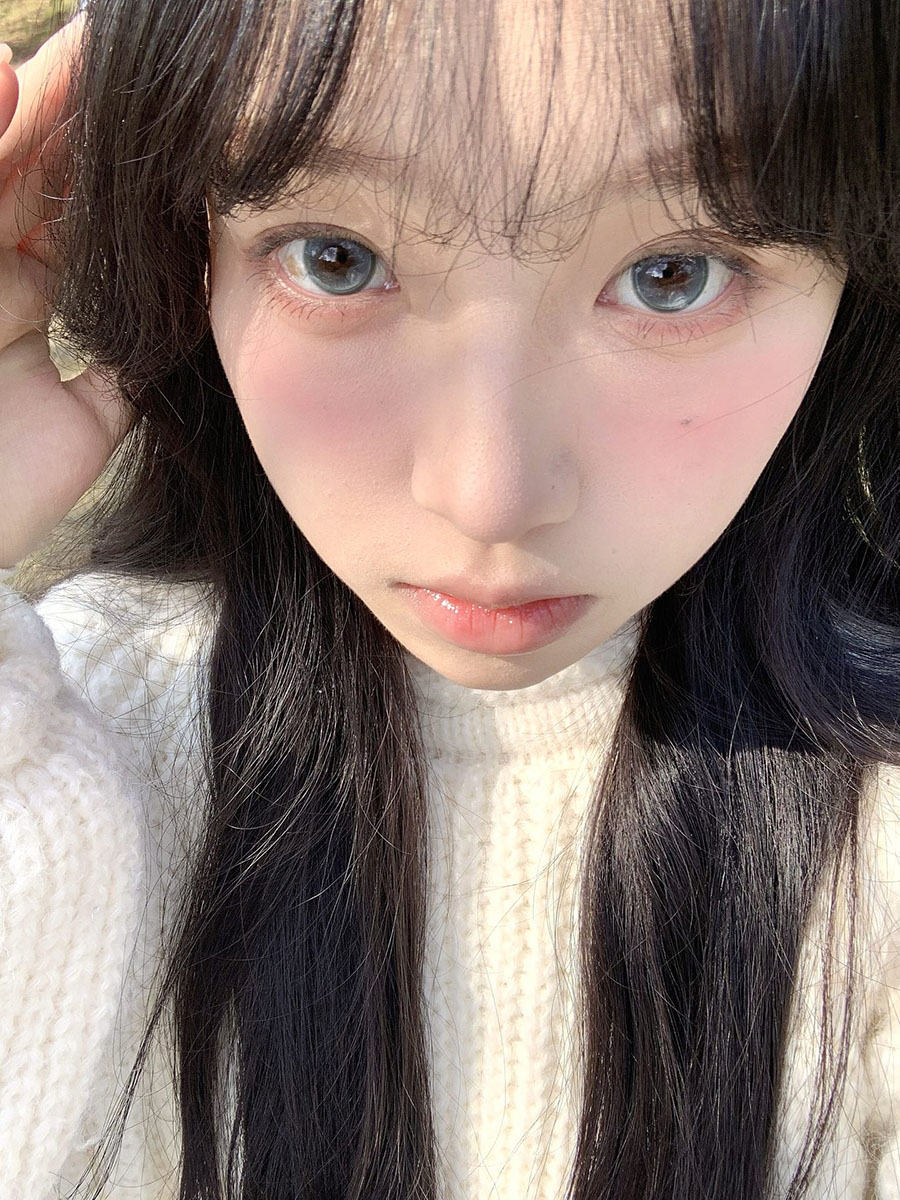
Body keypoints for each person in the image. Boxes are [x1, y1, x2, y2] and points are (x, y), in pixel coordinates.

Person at [1, 0, 899, 1196]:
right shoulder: (61, 738)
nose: (490, 496)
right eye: (336, 255)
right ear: (184, 253)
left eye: (672, 276)